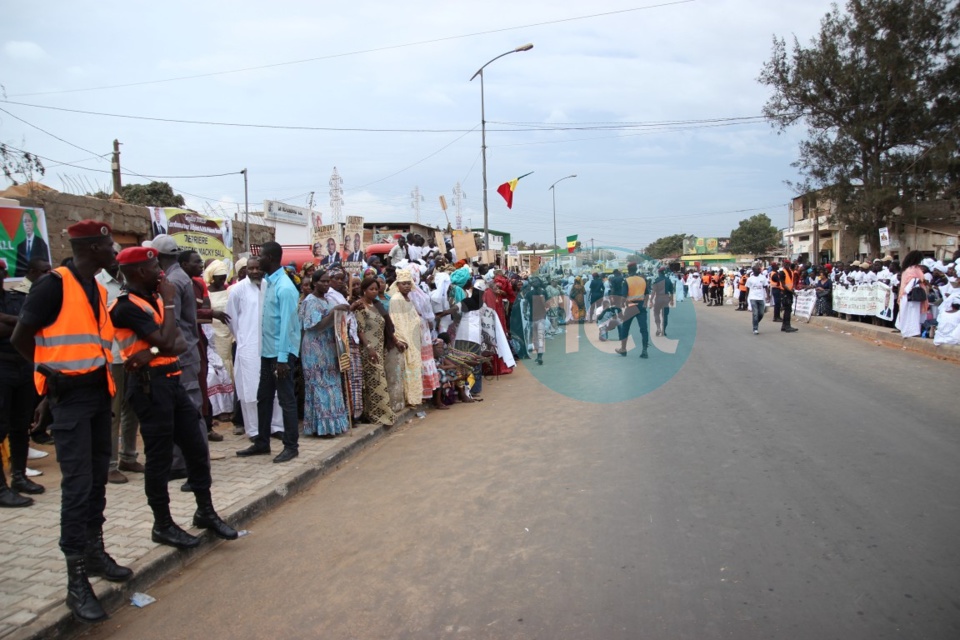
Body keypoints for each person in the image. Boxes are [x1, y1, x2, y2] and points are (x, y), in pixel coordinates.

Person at [11, 220, 131, 623]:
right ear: (93, 247)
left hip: (98, 394)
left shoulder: (96, 287)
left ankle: (96, 554)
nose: (115, 251)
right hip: (70, 397)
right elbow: (21, 338)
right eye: (109, 245)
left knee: (97, 479)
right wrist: (47, 378)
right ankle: (75, 581)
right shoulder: (53, 284)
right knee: (77, 487)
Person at [108, 247, 238, 551]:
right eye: (155, 267)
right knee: (159, 457)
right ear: (139, 271)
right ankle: (162, 524)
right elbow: (168, 339)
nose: (161, 273)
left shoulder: (152, 300)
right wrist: (167, 304)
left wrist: (152, 350)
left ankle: (205, 511)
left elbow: (176, 343)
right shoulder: (125, 306)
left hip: (171, 380)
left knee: (195, 445)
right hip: (149, 388)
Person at [237, 242, 301, 463]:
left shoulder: (285, 287)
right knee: (263, 397)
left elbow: (288, 326)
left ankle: (291, 446)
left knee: (285, 400)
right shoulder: (269, 283)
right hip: (268, 353)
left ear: (271, 258)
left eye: (261, 256)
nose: (258, 259)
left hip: (280, 355)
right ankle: (262, 442)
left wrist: (282, 359)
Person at [95, 244, 143, 485]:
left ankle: (128, 456)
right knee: (112, 412)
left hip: (131, 354)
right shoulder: (98, 283)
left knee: (131, 407)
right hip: (111, 356)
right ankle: (109, 464)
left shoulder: (128, 281)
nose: (115, 258)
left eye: (118, 254)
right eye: (111, 254)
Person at [0, 257, 45, 506]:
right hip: (2, 367)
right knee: (1, 426)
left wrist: (8, 321)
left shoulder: (17, 297)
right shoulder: (17, 302)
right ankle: (1, 487)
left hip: (23, 365)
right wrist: (16, 322)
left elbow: (31, 325)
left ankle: (19, 476)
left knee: (21, 424)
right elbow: (22, 325)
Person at [225, 257, 284, 440]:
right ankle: (254, 430)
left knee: (273, 388)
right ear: (245, 270)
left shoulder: (270, 286)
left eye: (258, 268)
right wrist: (244, 338)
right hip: (248, 346)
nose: (255, 271)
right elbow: (231, 319)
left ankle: (276, 426)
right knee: (250, 389)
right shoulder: (237, 290)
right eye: (251, 268)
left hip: (269, 345)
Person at [298, 270, 351, 436]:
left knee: (332, 385)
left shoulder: (327, 299)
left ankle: (333, 425)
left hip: (328, 347)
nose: (326, 284)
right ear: (314, 283)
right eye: (323, 281)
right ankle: (321, 427)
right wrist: (335, 311)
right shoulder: (311, 301)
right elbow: (315, 325)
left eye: (328, 281)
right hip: (315, 349)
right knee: (320, 386)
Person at [353, 276, 397, 425]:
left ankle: (374, 414)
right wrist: (369, 348)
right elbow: (360, 330)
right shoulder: (360, 306)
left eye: (376, 289)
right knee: (376, 381)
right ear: (364, 290)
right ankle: (379, 414)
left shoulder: (377, 305)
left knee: (375, 381)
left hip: (379, 347)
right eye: (371, 289)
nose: (374, 292)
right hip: (368, 349)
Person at [389, 269, 425, 407]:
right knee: (409, 369)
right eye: (403, 284)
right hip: (406, 339)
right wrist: (403, 339)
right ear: (397, 285)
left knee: (415, 368)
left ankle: (416, 398)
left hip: (414, 338)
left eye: (408, 283)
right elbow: (397, 321)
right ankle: (410, 398)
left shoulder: (408, 298)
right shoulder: (396, 299)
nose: (406, 286)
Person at [615, 262, 650, 358]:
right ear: (636, 269)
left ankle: (623, 349)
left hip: (630, 306)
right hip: (641, 306)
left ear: (628, 270)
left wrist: (622, 305)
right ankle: (644, 350)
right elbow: (647, 293)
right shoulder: (643, 280)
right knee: (644, 329)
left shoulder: (627, 281)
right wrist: (645, 304)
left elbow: (624, 296)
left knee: (625, 328)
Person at [895, 250, 928, 338]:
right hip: (912, 295)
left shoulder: (907, 269)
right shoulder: (914, 269)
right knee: (913, 314)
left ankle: (906, 330)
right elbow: (913, 281)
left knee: (907, 313)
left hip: (906, 295)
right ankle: (913, 332)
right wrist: (922, 281)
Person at [14, 210, 50, 278]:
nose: (27, 224)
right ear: (23, 225)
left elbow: (46, 266)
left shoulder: (41, 243)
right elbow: (17, 270)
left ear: (33, 223)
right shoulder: (20, 246)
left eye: (29, 221)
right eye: (25, 222)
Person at [772, 260, 798, 333]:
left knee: (788, 309)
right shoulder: (782, 272)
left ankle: (784, 326)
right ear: (783, 264)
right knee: (787, 309)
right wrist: (791, 291)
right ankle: (787, 326)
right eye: (785, 264)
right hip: (785, 292)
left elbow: (791, 282)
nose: (786, 265)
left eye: (788, 264)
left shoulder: (791, 272)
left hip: (789, 292)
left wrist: (792, 290)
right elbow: (783, 284)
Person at [650, 267, 675, 337]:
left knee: (656, 313)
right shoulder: (668, 280)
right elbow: (671, 292)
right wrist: (672, 300)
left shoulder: (657, 280)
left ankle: (658, 328)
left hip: (658, 298)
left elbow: (653, 291)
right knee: (665, 315)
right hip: (666, 299)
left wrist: (651, 300)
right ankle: (664, 330)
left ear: (659, 273)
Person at [746, 263, 769, 334]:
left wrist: (768, 295)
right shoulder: (750, 279)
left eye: (759, 269)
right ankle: (755, 328)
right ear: (753, 271)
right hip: (753, 297)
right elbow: (747, 288)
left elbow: (766, 287)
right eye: (757, 269)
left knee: (761, 313)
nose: (759, 270)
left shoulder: (763, 277)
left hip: (761, 298)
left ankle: (755, 322)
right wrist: (746, 298)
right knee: (755, 313)